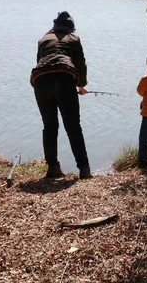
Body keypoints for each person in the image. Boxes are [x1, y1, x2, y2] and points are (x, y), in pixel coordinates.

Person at [30, 11, 92, 179]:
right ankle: (84, 170)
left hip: (40, 80)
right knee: (73, 126)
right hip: (64, 79)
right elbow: (80, 64)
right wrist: (81, 85)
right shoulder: (74, 38)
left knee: (49, 126)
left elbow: (39, 61)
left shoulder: (43, 39)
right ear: (70, 27)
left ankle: (53, 168)